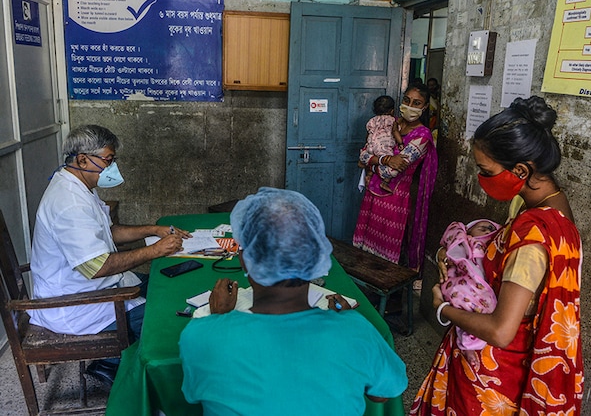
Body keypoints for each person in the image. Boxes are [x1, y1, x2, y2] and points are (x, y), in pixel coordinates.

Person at [411, 96, 584, 414]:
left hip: (493, 377)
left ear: (520, 170)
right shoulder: (547, 207)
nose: (480, 178)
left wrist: (443, 307)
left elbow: (501, 331)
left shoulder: (534, 235)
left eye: (485, 170)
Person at [179, 187, 408, 416]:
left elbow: (195, 395)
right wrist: (346, 321)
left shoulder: (200, 336)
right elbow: (381, 394)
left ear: (245, 260)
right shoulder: (356, 330)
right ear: (315, 256)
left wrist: (218, 318)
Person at [28, 124, 190, 385]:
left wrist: (153, 229)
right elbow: (97, 267)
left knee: (165, 286)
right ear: (82, 159)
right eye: (108, 160)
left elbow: (108, 232)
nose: (111, 168)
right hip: (74, 305)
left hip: (88, 287)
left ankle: (113, 362)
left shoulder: (77, 186)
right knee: (163, 318)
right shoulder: (68, 202)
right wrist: (154, 250)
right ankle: (123, 371)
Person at [353, 83, 438, 274]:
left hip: (395, 199)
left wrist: (372, 163)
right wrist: (384, 160)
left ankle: (387, 300)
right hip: (373, 194)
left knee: (388, 259)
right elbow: (362, 156)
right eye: (407, 100)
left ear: (424, 107)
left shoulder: (422, 136)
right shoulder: (390, 122)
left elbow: (390, 172)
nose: (410, 105)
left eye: (416, 103)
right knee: (366, 253)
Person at [438, 218, 500, 367]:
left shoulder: (492, 245)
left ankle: (470, 343)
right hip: (464, 283)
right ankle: (466, 344)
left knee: (483, 312)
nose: (486, 231)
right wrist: (444, 253)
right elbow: (452, 247)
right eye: (482, 227)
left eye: (491, 229)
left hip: (482, 289)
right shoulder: (465, 241)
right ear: (468, 230)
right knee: (463, 305)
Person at [360, 95, 404, 193]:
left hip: (371, 147)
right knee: (392, 167)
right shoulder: (393, 121)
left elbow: (368, 135)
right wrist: (400, 143)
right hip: (384, 148)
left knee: (372, 159)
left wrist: (368, 145)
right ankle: (385, 182)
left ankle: (369, 175)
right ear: (392, 111)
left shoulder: (371, 121)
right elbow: (395, 132)